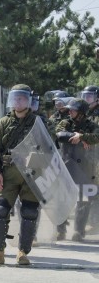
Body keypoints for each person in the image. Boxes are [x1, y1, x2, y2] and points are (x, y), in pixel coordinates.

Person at [0, 84, 41, 267]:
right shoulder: (3, 123)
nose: (18, 101)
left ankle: (23, 252)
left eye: (22, 98)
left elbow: (49, 147)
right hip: (8, 173)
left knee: (30, 212)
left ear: (29, 100)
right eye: (15, 98)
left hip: (31, 174)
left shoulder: (38, 122)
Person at [55, 98, 99, 242]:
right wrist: (78, 137)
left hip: (85, 167)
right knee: (62, 199)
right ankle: (60, 231)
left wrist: (83, 136)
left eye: (73, 110)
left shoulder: (91, 125)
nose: (70, 111)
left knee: (83, 200)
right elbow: (59, 134)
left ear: (81, 113)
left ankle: (79, 232)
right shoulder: (65, 123)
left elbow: (97, 137)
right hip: (67, 164)